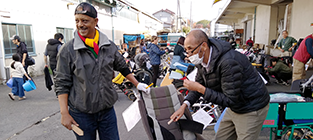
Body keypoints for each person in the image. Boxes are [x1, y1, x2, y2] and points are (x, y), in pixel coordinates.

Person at [54, 2, 149, 140]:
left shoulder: (108, 45)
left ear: (95, 21)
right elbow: (62, 82)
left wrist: (137, 83)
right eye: (77, 21)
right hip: (81, 113)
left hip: (106, 112)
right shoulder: (68, 50)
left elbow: (122, 66)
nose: (80, 24)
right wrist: (64, 113)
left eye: (85, 21)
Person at [170, 30, 269, 140]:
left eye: (190, 49)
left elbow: (229, 99)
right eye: (186, 50)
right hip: (234, 106)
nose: (188, 55)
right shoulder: (202, 60)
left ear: (203, 46)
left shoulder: (228, 62)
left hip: (251, 107)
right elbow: (198, 84)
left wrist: (201, 89)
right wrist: (184, 106)